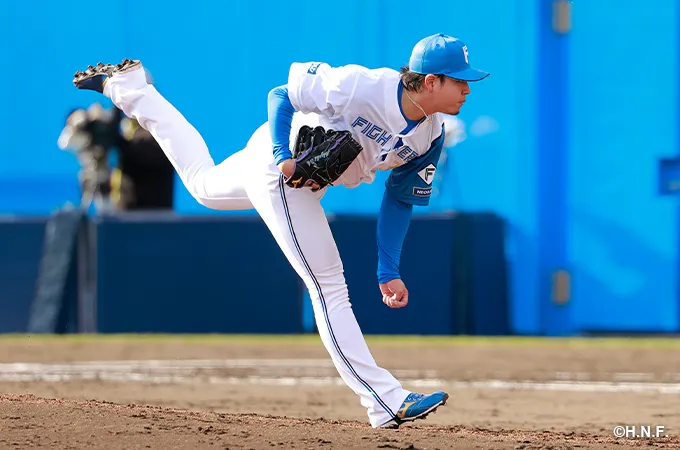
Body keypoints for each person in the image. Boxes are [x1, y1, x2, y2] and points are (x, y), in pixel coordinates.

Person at [72, 33, 489, 428]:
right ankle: (384, 400)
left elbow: (398, 199)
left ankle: (129, 89)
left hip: (297, 176)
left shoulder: (430, 134)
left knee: (202, 186)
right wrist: (279, 155)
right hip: (283, 173)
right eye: (460, 81)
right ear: (430, 82)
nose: (467, 90)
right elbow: (282, 94)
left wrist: (388, 268)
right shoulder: (363, 85)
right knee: (328, 285)